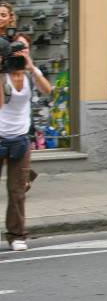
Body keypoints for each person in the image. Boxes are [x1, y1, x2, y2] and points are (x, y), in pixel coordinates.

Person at [0, 32, 52, 251]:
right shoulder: (3, 76)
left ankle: (17, 235)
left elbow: (48, 90)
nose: (19, 57)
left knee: (17, 190)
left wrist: (31, 67)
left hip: (21, 138)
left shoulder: (31, 74)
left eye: (24, 51)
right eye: (16, 53)